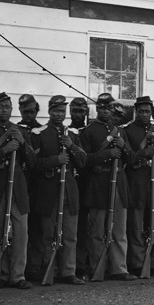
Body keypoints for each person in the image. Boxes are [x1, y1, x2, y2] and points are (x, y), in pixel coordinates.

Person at [0, 92, 37, 289]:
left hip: (18, 187)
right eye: (0, 107)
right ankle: (0, 274)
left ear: (12, 110)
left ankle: (17, 275)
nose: (4, 111)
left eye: (7, 107)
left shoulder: (22, 131)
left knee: (21, 232)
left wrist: (22, 144)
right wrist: (4, 150)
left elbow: (32, 161)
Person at [30, 96, 87, 284]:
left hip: (69, 189)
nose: (59, 115)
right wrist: (56, 161)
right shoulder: (39, 134)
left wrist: (71, 146)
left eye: (62, 111)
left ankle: (68, 272)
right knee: (49, 234)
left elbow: (82, 161)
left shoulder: (73, 134)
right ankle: (50, 271)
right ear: (49, 111)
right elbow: (33, 164)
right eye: (56, 111)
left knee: (70, 234)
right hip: (48, 189)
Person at [80, 93, 136, 281]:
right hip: (99, 183)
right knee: (97, 230)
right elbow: (84, 160)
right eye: (102, 107)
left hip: (118, 182)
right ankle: (98, 268)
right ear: (97, 109)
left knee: (119, 229)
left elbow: (132, 159)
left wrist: (124, 147)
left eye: (109, 108)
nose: (105, 111)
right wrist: (107, 154)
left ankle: (119, 268)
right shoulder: (88, 132)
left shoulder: (120, 131)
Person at [121, 96, 154, 277]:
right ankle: (137, 263)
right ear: (136, 111)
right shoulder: (127, 130)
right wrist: (144, 152)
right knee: (136, 224)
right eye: (142, 111)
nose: (145, 115)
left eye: (148, 111)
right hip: (136, 179)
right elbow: (127, 158)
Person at [17, 94, 44, 280]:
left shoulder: (43, 130)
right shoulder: (15, 129)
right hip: (21, 182)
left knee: (37, 228)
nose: (29, 114)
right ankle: (19, 268)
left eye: (32, 111)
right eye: (25, 111)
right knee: (20, 228)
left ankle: (35, 267)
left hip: (39, 183)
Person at [69, 97, 90, 279]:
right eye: (75, 111)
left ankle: (82, 265)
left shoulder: (89, 132)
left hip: (87, 185)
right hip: (69, 183)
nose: (78, 115)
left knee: (84, 228)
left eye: (81, 111)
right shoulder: (65, 131)